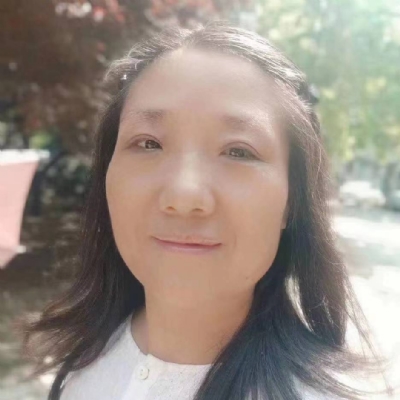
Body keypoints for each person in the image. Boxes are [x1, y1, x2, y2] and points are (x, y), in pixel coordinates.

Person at [20, 21, 391, 400]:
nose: (184, 196)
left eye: (238, 151)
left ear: (291, 201)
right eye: (148, 144)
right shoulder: (82, 361)